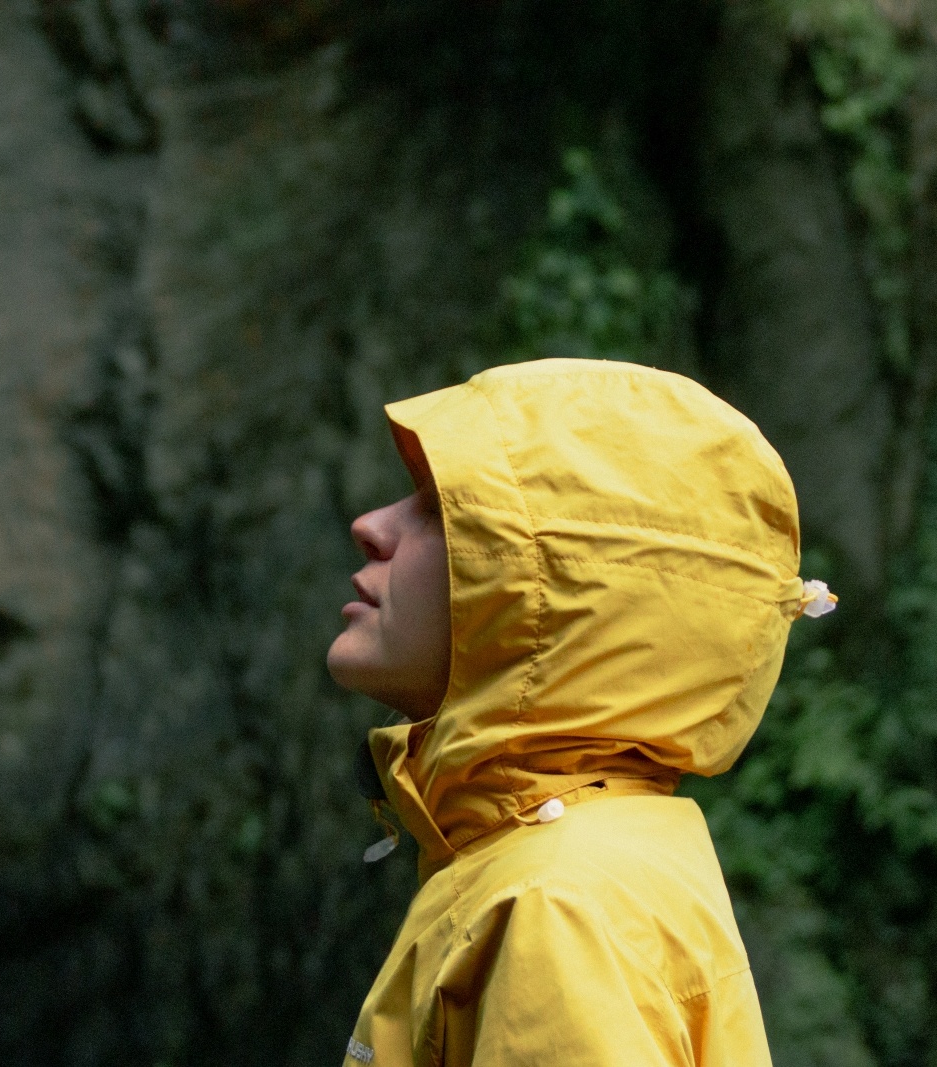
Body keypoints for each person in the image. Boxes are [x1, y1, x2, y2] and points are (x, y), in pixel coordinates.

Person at [327, 358, 835, 1067]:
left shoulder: (553, 905)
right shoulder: (588, 862)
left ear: (561, 592)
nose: (370, 525)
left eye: (440, 509)